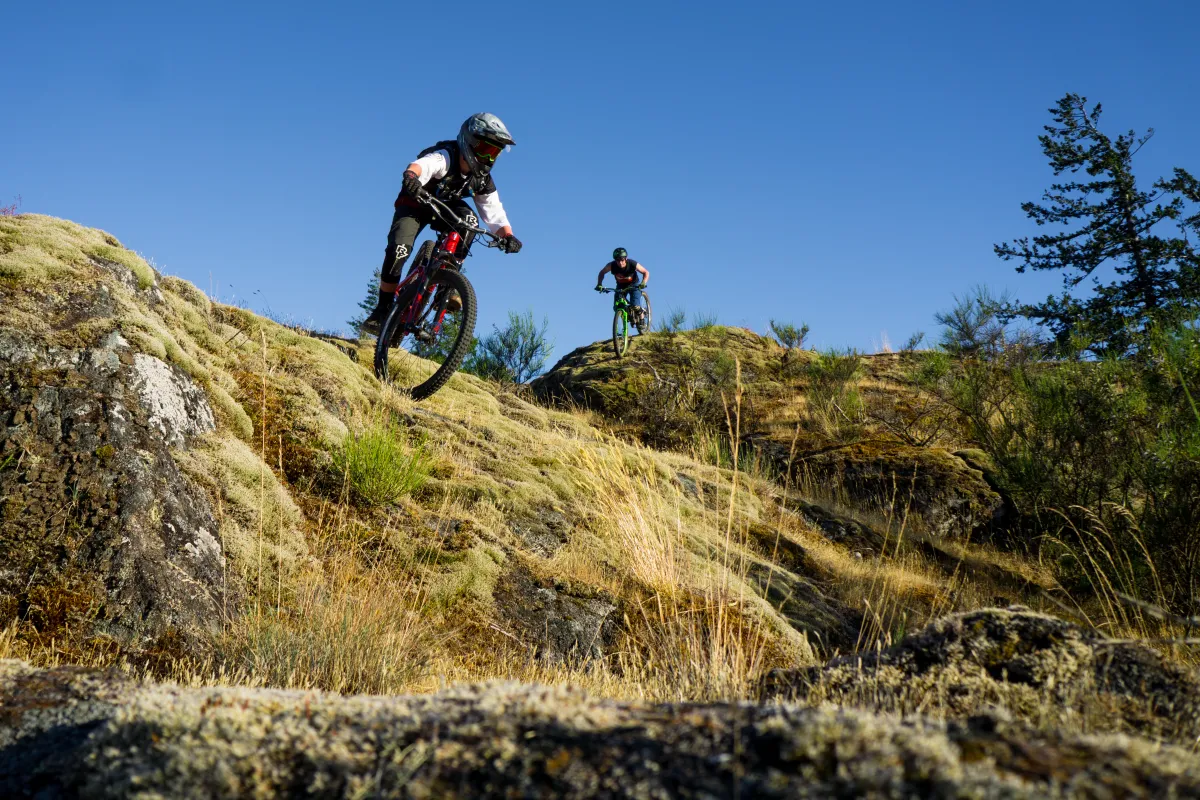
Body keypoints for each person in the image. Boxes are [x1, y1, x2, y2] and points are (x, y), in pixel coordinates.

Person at [361, 113, 523, 335]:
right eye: (486, 150)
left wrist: (507, 236)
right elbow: (420, 166)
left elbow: (494, 211)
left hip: (445, 205)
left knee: (470, 221)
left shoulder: (482, 178)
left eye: (495, 153)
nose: (488, 158)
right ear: (470, 142)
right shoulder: (446, 156)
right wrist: (411, 178)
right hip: (415, 201)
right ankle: (382, 309)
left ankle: (445, 285)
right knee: (399, 250)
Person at [595, 247, 650, 324]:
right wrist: (599, 284)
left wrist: (643, 283)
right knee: (617, 307)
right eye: (618, 260)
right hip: (621, 286)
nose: (620, 263)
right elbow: (602, 272)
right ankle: (625, 317)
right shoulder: (611, 265)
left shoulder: (632, 264)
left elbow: (646, 272)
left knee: (635, 305)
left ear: (626, 259)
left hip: (634, 285)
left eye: (622, 260)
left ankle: (642, 317)